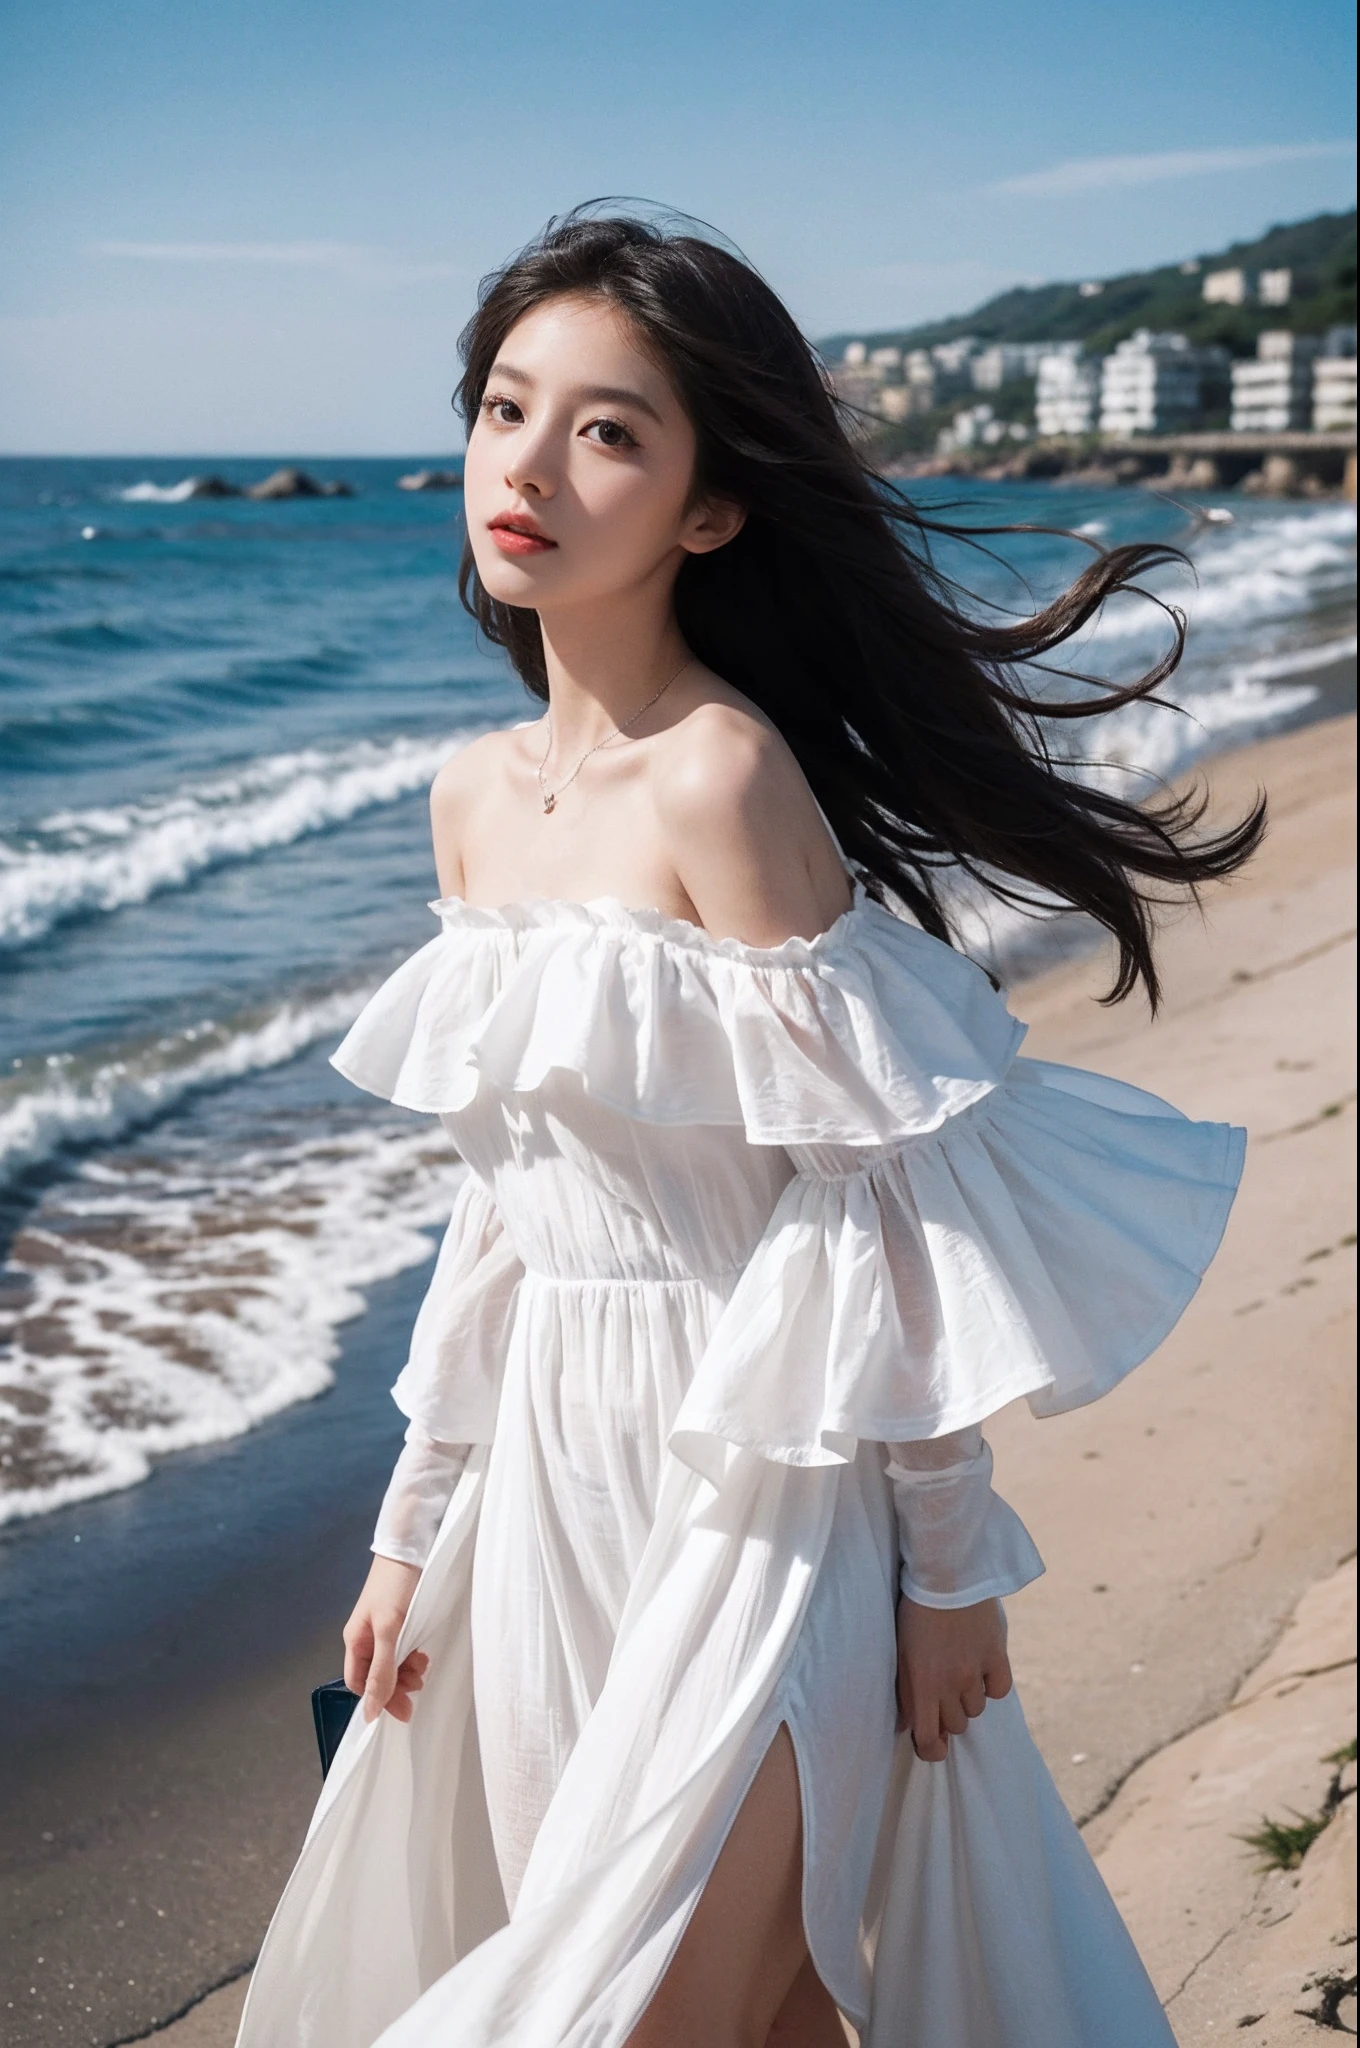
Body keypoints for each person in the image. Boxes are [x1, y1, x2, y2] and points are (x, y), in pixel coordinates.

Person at [236, 209, 1261, 2048]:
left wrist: (949, 1570)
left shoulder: (724, 775)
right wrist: (412, 1531)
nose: (529, 467)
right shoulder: (470, 801)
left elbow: (886, 1186)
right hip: (553, 1489)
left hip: (766, 1481)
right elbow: (503, 1211)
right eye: (504, 409)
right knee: (759, 2006)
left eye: (610, 430)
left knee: (633, 2010)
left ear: (713, 507)